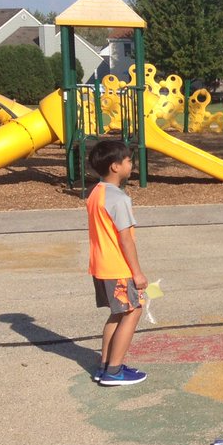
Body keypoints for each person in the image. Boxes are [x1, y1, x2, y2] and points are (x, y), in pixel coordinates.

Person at [86, 138, 148, 386]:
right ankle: (114, 371)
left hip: (100, 265)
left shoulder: (96, 193)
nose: (131, 165)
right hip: (118, 267)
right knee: (133, 310)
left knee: (118, 313)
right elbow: (126, 240)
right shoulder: (119, 198)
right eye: (128, 161)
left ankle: (105, 365)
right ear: (115, 166)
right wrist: (138, 273)